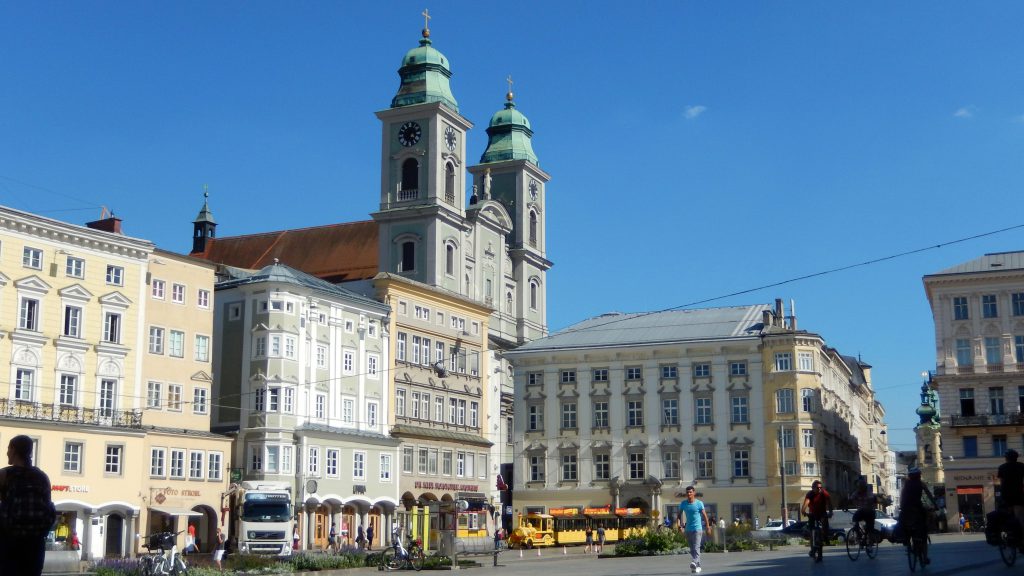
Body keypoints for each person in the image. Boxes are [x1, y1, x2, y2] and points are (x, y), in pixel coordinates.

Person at [0, 434, 56, 576]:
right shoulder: (43, 477)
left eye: (8, 448)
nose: (7, 452)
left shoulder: (5, 475)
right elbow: (49, 509)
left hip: (10, 544)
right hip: (35, 546)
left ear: (14, 450)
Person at [898, 467, 937, 566]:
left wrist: (902, 506)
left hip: (906, 509)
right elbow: (929, 495)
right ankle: (924, 557)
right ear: (919, 475)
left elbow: (902, 496)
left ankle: (905, 539)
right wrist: (935, 505)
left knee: (902, 523)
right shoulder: (921, 483)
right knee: (923, 531)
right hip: (917, 508)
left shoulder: (906, 484)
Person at [678, 485, 712, 574]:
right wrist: (679, 526)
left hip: (698, 528)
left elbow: (704, 516)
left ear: (694, 493)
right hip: (688, 529)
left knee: (696, 547)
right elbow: (679, 515)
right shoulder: (683, 504)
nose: (689, 493)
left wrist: (708, 527)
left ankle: (694, 562)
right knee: (692, 548)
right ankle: (698, 565)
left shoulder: (699, 503)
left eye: (690, 492)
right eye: (687, 492)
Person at [801, 479, 834, 558]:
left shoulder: (824, 493)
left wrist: (830, 512)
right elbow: (806, 502)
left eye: (820, 487)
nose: (819, 489)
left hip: (822, 513)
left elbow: (829, 502)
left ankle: (825, 537)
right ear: (813, 488)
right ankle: (813, 546)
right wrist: (803, 510)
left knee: (825, 524)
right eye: (817, 488)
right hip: (813, 513)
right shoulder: (810, 494)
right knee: (812, 530)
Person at [998, 449, 1024, 531]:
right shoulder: (1022, 466)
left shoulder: (1002, 467)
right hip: (1019, 495)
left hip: (1006, 496)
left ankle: (1009, 533)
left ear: (1006, 458)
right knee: (1020, 517)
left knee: (1006, 515)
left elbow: (1001, 482)